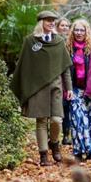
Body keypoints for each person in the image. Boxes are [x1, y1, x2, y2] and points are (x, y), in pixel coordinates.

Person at [10, 10, 72, 167]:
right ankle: (43, 155)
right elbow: (24, 66)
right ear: (41, 22)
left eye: (53, 20)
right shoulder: (30, 41)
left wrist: (69, 87)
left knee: (57, 120)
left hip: (56, 87)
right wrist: (27, 85)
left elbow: (65, 67)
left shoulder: (59, 42)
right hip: (38, 88)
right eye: (48, 20)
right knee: (41, 120)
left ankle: (54, 143)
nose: (51, 23)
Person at [66, 19, 91, 161]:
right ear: (72, 31)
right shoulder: (68, 48)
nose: (79, 33)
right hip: (75, 90)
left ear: (86, 32)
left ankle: (90, 149)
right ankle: (79, 150)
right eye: (76, 30)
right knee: (78, 119)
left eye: (82, 30)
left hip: (90, 90)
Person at [56, 16, 72, 145]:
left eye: (67, 26)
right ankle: (54, 135)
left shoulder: (71, 42)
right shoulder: (54, 41)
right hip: (58, 78)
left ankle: (66, 135)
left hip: (71, 77)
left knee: (67, 108)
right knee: (56, 108)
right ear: (57, 27)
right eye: (62, 25)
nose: (65, 28)